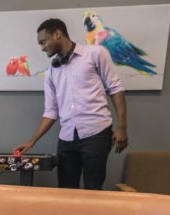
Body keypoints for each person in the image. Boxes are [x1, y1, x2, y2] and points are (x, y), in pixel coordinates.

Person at [15, 18, 129, 190]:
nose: (42, 48)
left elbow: (115, 88)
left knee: (93, 188)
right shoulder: (51, 72)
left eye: (43, 42)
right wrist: (32, 142)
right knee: (66, 190)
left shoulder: (96, 53)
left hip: (96, 133)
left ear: (57, 34)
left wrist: (122, 127)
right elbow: (51, 111)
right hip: (67, 137)